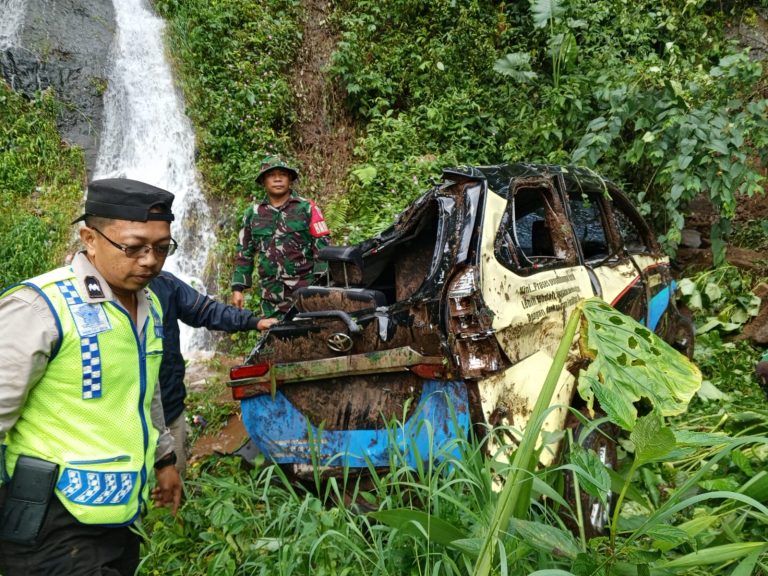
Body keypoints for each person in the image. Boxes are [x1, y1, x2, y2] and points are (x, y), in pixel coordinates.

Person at [0, 178, 182, 576]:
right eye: (134, 247)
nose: (150, 260)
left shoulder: (148, 305)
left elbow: (144, 391)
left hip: (120, 517)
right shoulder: (40, 306)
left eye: (162, 248)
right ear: (89, 238)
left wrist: (165, 459)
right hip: (49, 523)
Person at [149, 271, 277, 477]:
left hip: (169, 409)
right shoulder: (89, 299)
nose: (148, 258)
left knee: (173, 481)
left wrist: (253, 322)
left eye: (160, 249)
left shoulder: (162, 283)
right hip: (121, 421)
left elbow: (205, 310)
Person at [231, 155, 331, 317]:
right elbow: (244, 252)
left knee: (308, 338)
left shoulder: (307, 208)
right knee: (273, 339)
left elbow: (323, 248)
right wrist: (237, 289)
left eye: (282, 175)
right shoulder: (252, 214)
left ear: (290, 179)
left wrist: (321, 287)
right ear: (263, 181)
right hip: (271, 298)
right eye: (271, 175)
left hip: (305, 294)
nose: (277, 179)